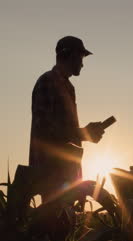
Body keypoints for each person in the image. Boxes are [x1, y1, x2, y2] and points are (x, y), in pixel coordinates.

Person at [29, 36, 105, 205]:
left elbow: (66, 131)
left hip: (67, 172)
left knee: (64, 226)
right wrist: (83, 133)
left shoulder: (67, 87)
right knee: (52, 223)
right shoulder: (47, 82)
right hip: (51, 172)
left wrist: (86, 135)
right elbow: (45, 129)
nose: (82, 64)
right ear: (69, 55)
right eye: (81, 57)